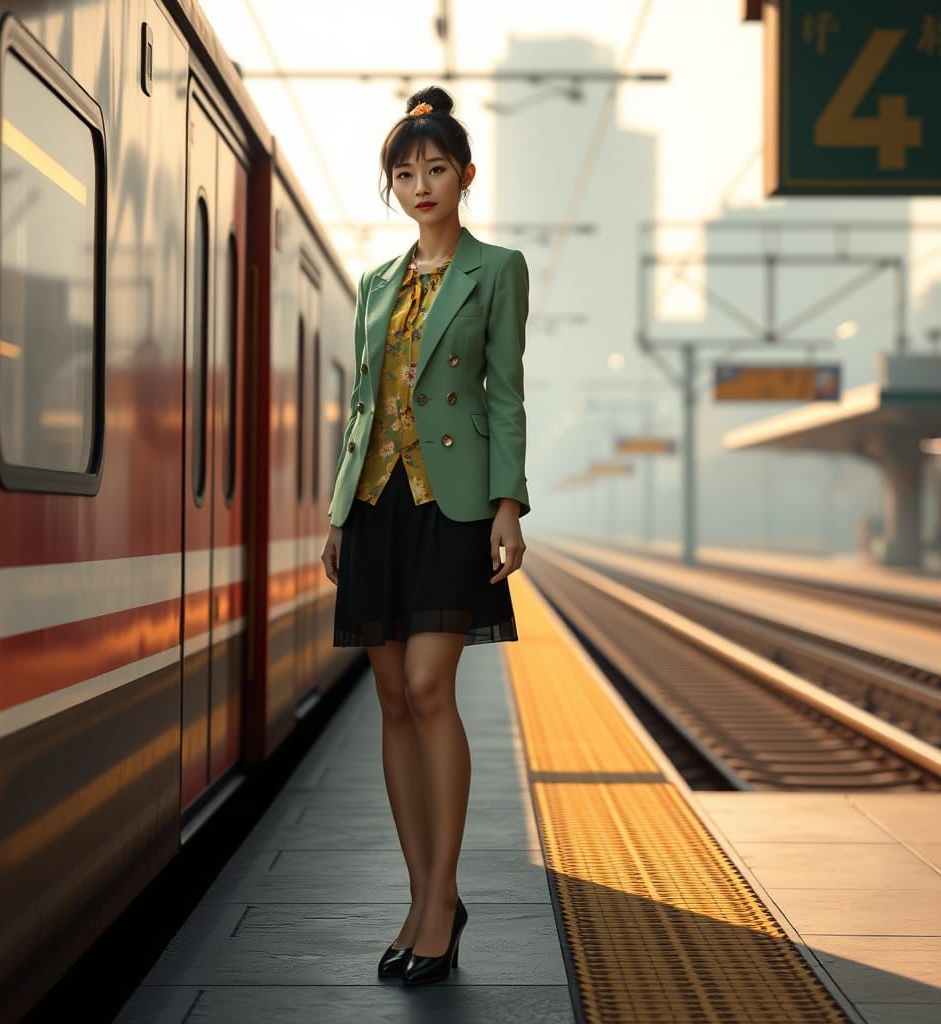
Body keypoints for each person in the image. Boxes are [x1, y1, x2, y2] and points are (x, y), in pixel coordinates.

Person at [320, 84, 530, 987]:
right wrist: (339, 512)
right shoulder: (376, 283)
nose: (420, 187)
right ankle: (418, 899)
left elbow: (505, 394)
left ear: (465, 175)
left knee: (427, 686)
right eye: (405, 175)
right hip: (376, 506)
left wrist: (509, 505)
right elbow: (361, 405)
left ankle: (442, 899)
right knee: (391, 699)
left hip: (454, 503)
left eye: (436, 170)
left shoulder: (499, 270)